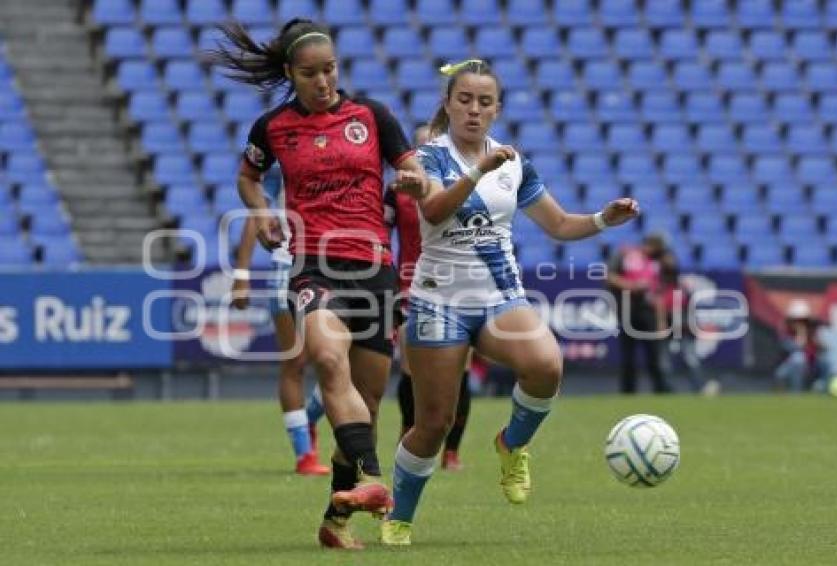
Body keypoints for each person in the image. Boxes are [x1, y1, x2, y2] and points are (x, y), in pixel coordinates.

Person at [379, 59, 639, 545]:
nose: (473, 110)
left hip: (500, 297)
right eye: (464, 100)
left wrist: (604, 218)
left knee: (546, 365)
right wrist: (478, 170)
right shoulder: (427, 157)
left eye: (484, 102)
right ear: (448, 104)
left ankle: (511, 444)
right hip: (438, 303)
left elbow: (560, 225)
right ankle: (401, 516)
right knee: (433, 423)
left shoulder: (514, 162)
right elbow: (433, 209)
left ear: (496, 109)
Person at [212, 19, 428, 550]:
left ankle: (336, 519)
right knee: (327, 360)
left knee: (369, 405)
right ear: (290, 73)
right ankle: (374, 480)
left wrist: (416, 178)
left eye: (329, 69)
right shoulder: (273, 127)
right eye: (310, 73)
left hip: (375, 268)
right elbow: (247, 176)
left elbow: (412, 163)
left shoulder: (372, 116)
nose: (323, 81)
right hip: (313, 265)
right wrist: (261, 210)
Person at [386, 123, 472, 472]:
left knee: (460, 368)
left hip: (458, 282)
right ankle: (409, 432)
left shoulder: (460, 184)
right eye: (419, 146)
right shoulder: (398, 190)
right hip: (411, 282)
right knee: (410, 365)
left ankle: (451, 451)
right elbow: (380, 232)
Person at [230, 191, 330, 475]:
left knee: (338, 360)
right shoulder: (281, 151)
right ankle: (304, 455)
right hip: (287, 266)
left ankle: (307, 419)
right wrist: (241, 276)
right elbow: (256, 212)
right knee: (294, 363)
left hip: (336, 263)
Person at [606, 233, 673, 394]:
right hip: (629, 310)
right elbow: (610, 277)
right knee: (628, 355)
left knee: (654, 354)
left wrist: (661, 320)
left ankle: (661, 390)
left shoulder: (658, 262)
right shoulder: (626, 255)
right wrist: (632, 285)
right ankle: (628, 391)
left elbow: (659, 293)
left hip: (649, 311)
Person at [655, 250, 720, 396]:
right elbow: (660, 305)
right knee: (664, 362)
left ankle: (700, 387)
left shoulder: (681, 285)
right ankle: (667, 390)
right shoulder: (661, 286)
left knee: (690, 359)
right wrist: (661, 323)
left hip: (684, 327)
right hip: (668, 325)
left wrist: (692, 326)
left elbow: (689, 308)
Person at [774, 299, 828, 392]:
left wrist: (816, 341)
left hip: (812, 365)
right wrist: (801, 333)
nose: (800, 323)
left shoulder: (813, 330)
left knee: (827, 360)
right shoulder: (786, 333)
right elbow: (796, 347)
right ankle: (795, 393)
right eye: (797, 320)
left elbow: (823, 347)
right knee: (797, 359)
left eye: (803, 320)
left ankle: (824, 388)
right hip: (792, 366)